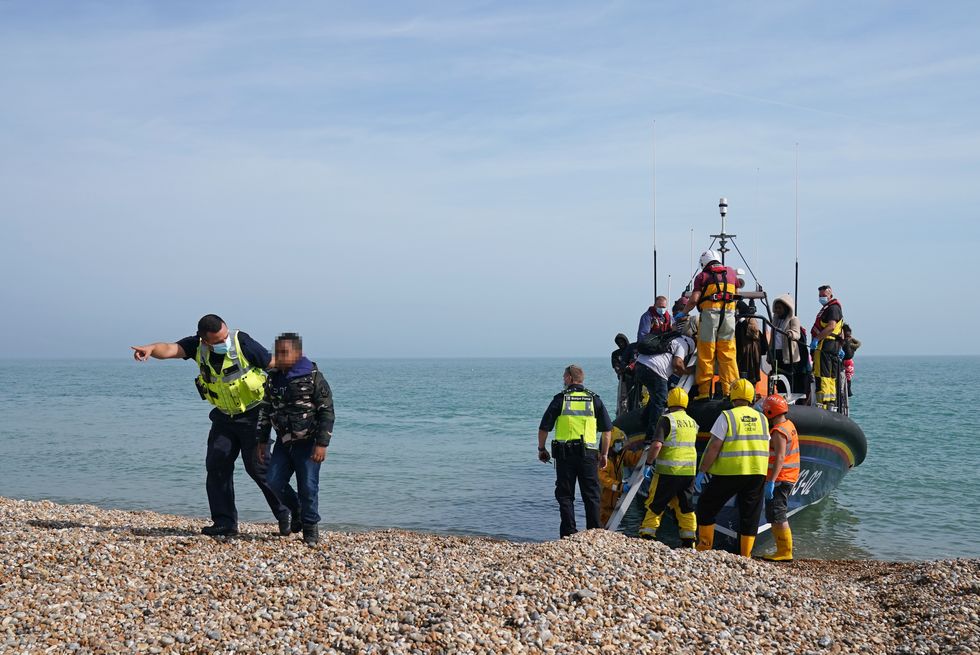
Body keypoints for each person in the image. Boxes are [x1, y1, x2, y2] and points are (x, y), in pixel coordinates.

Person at [131, 314, 299, 536]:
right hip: (223, 417)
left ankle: (290, 512)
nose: (224, 341)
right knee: (217, 465)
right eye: (218, 340)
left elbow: (271, 364)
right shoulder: (196, 346)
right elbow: (170, 349)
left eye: (225, 336)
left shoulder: (243, 342)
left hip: (255, 414)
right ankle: (225, 523)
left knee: (259, 468)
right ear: (205, 339)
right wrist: (151, 349)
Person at [258, 333, 335, 545]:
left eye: (285, 352)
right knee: (273, 481)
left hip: (308, 442)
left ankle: (310, 528)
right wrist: (262, 439)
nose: (280, 357)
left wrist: (322, 444)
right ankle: (297, 510)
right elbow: (265, 410)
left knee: (308, 487)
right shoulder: (273, 378)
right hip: (284, 442)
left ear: (298, 353)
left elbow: (327, 412)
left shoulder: (313, 376)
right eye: (278, 352)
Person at [693, 378, 770, 557]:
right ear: (751, 397)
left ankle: (704, 547)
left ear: (732, 396)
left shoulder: (727, 416)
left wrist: (702, 470)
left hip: (730, 471)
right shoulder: (762, 418)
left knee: (706, 506)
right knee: (750, 514)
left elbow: (714, 446)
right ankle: (746, 555)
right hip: (757, 473)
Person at [537, 365, 612, 538]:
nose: (563, 380)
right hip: (589, 454)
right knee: (591, 494)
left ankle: (569, 533)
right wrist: (605, 454)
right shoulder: (594, 399)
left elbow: (544, 428)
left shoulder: (560, 399)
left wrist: (541, 448)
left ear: (570, 378)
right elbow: (607, 431)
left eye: (564, 377)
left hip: (565, 455)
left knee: (565, 494)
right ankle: (595, 532)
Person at [637, 387, 698, 547]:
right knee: (686, 507)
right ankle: (689, 540)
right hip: (688, 472)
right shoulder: (692, 423)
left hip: (667, 472)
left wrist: (649, 464)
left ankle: (648, 535)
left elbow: (657, 445)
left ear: (669, 402)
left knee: (656, 503)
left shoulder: (666, 420)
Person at [677, 251, 741, 400]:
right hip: (729, 319)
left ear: (703, 263)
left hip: (710, 318)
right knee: (728, 355)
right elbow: (736, 294)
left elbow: (694, 299)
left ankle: (705, 392)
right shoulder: (731, 273)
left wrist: (684, 313)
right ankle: (730, 392)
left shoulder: (702, 276)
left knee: (706, 354)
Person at [634, 320, 696, 440]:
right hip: (655, 370)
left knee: (655, 397)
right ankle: (651, 436)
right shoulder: (685, 343)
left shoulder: (672, 338)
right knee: (661, 400)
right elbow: (677, 363)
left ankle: (644, 421)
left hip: (640, 365)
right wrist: (688, 371)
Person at [760, 394, 799, 562]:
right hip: (787, 477)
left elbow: (780, 457)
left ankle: (785, 551)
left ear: (770, 411)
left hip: (781, 479)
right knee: (776, 514)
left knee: (778, 515)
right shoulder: (789, 425)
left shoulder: (778, 432)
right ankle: (782, 549)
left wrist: (771, 481)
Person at [810, 285, 844, 409]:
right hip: (833, 345)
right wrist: (840, 345)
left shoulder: (832, 308)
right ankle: (831, 402)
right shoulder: (833, 308)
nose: (821, 298)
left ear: (830, 295)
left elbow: (831, 326)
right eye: (820, 296)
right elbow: (840, 330)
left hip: (825, 344)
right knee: (830, 375)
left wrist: (816, 339)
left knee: (822, 374)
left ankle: (823, 404)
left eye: (823, 296)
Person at [770, 294, 805, 394]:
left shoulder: (793, 319)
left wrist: (791, 333)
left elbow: (797, 334)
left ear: (786, 308)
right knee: (778, 379)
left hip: (788, 354)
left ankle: (790, 397)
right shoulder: (775, 320)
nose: (777, 310)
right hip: (776, 353)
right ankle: (781, 396)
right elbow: (772, 337)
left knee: (789, 378)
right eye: (776, 308)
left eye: (779, 308)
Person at [734, 303, 768, 385]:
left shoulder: (751, 318)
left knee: (750, 372)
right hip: (739, 349)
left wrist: (743, 322)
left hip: (749, 350)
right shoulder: (735, 320)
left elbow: (754, 332)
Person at [610, 333, 636, 415]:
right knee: (622, 399)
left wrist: (628, 367)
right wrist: (620, 369)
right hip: (623, 380)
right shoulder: (615, 354)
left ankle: (633, 413)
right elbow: (616, 366)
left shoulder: (632, 350)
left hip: (633, 378)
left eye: (622, 341)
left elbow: (634, 361)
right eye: (619, 342)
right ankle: (622, 415)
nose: (621, 343)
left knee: (634, 397)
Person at [841, 323, 861, 398]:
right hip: (848, 360)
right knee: (848, 376)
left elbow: (858, 344)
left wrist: (851, 345)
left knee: (845, 376)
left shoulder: (845, 340)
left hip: (845, 360)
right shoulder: (849, 340)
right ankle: (848, 391)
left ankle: (846, 390)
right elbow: (858, 344)